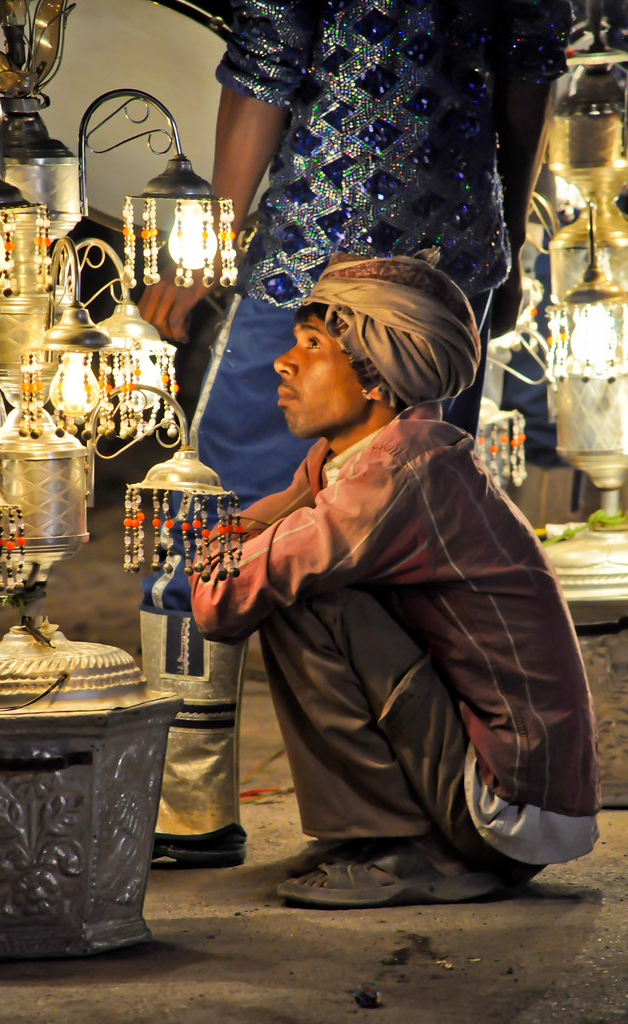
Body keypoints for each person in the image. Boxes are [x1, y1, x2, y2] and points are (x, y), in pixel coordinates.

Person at [140, 0, 573, 868]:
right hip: (456, 249)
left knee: (198, 523)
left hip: (321, 240)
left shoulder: (328, 349)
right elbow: (530, 67)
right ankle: (392, 819)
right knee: (386, 565)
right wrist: (510, 229)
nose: (290, 369)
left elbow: (268, 59)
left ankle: (195, 811)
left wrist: (206, 251)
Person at [189, 252, 600, 908]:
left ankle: (393, 848)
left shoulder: (400, 475)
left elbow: (224, 599)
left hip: (509, 803)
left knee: (305, 597)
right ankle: (375, 837)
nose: (283, 362)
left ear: (376, 377)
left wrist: (215, 550)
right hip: (503, 786)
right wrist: (230, 545)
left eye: (312, 345)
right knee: (295, 572)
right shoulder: (348, 460)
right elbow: (248, 538)